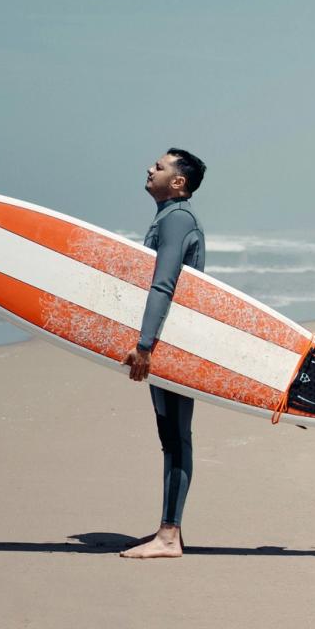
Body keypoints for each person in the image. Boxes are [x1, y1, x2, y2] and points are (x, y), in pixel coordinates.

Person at [120, 148, 207, 560]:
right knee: (172, 437)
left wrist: (144, 345)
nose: (149, 168)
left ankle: (169, 536)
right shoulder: (169, 218)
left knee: (175, 436)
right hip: (171, 341)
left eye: (159, 166)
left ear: (178, 182)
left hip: (170, 343)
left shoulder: (176, 220)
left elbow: (163, 285)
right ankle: (169, 531)